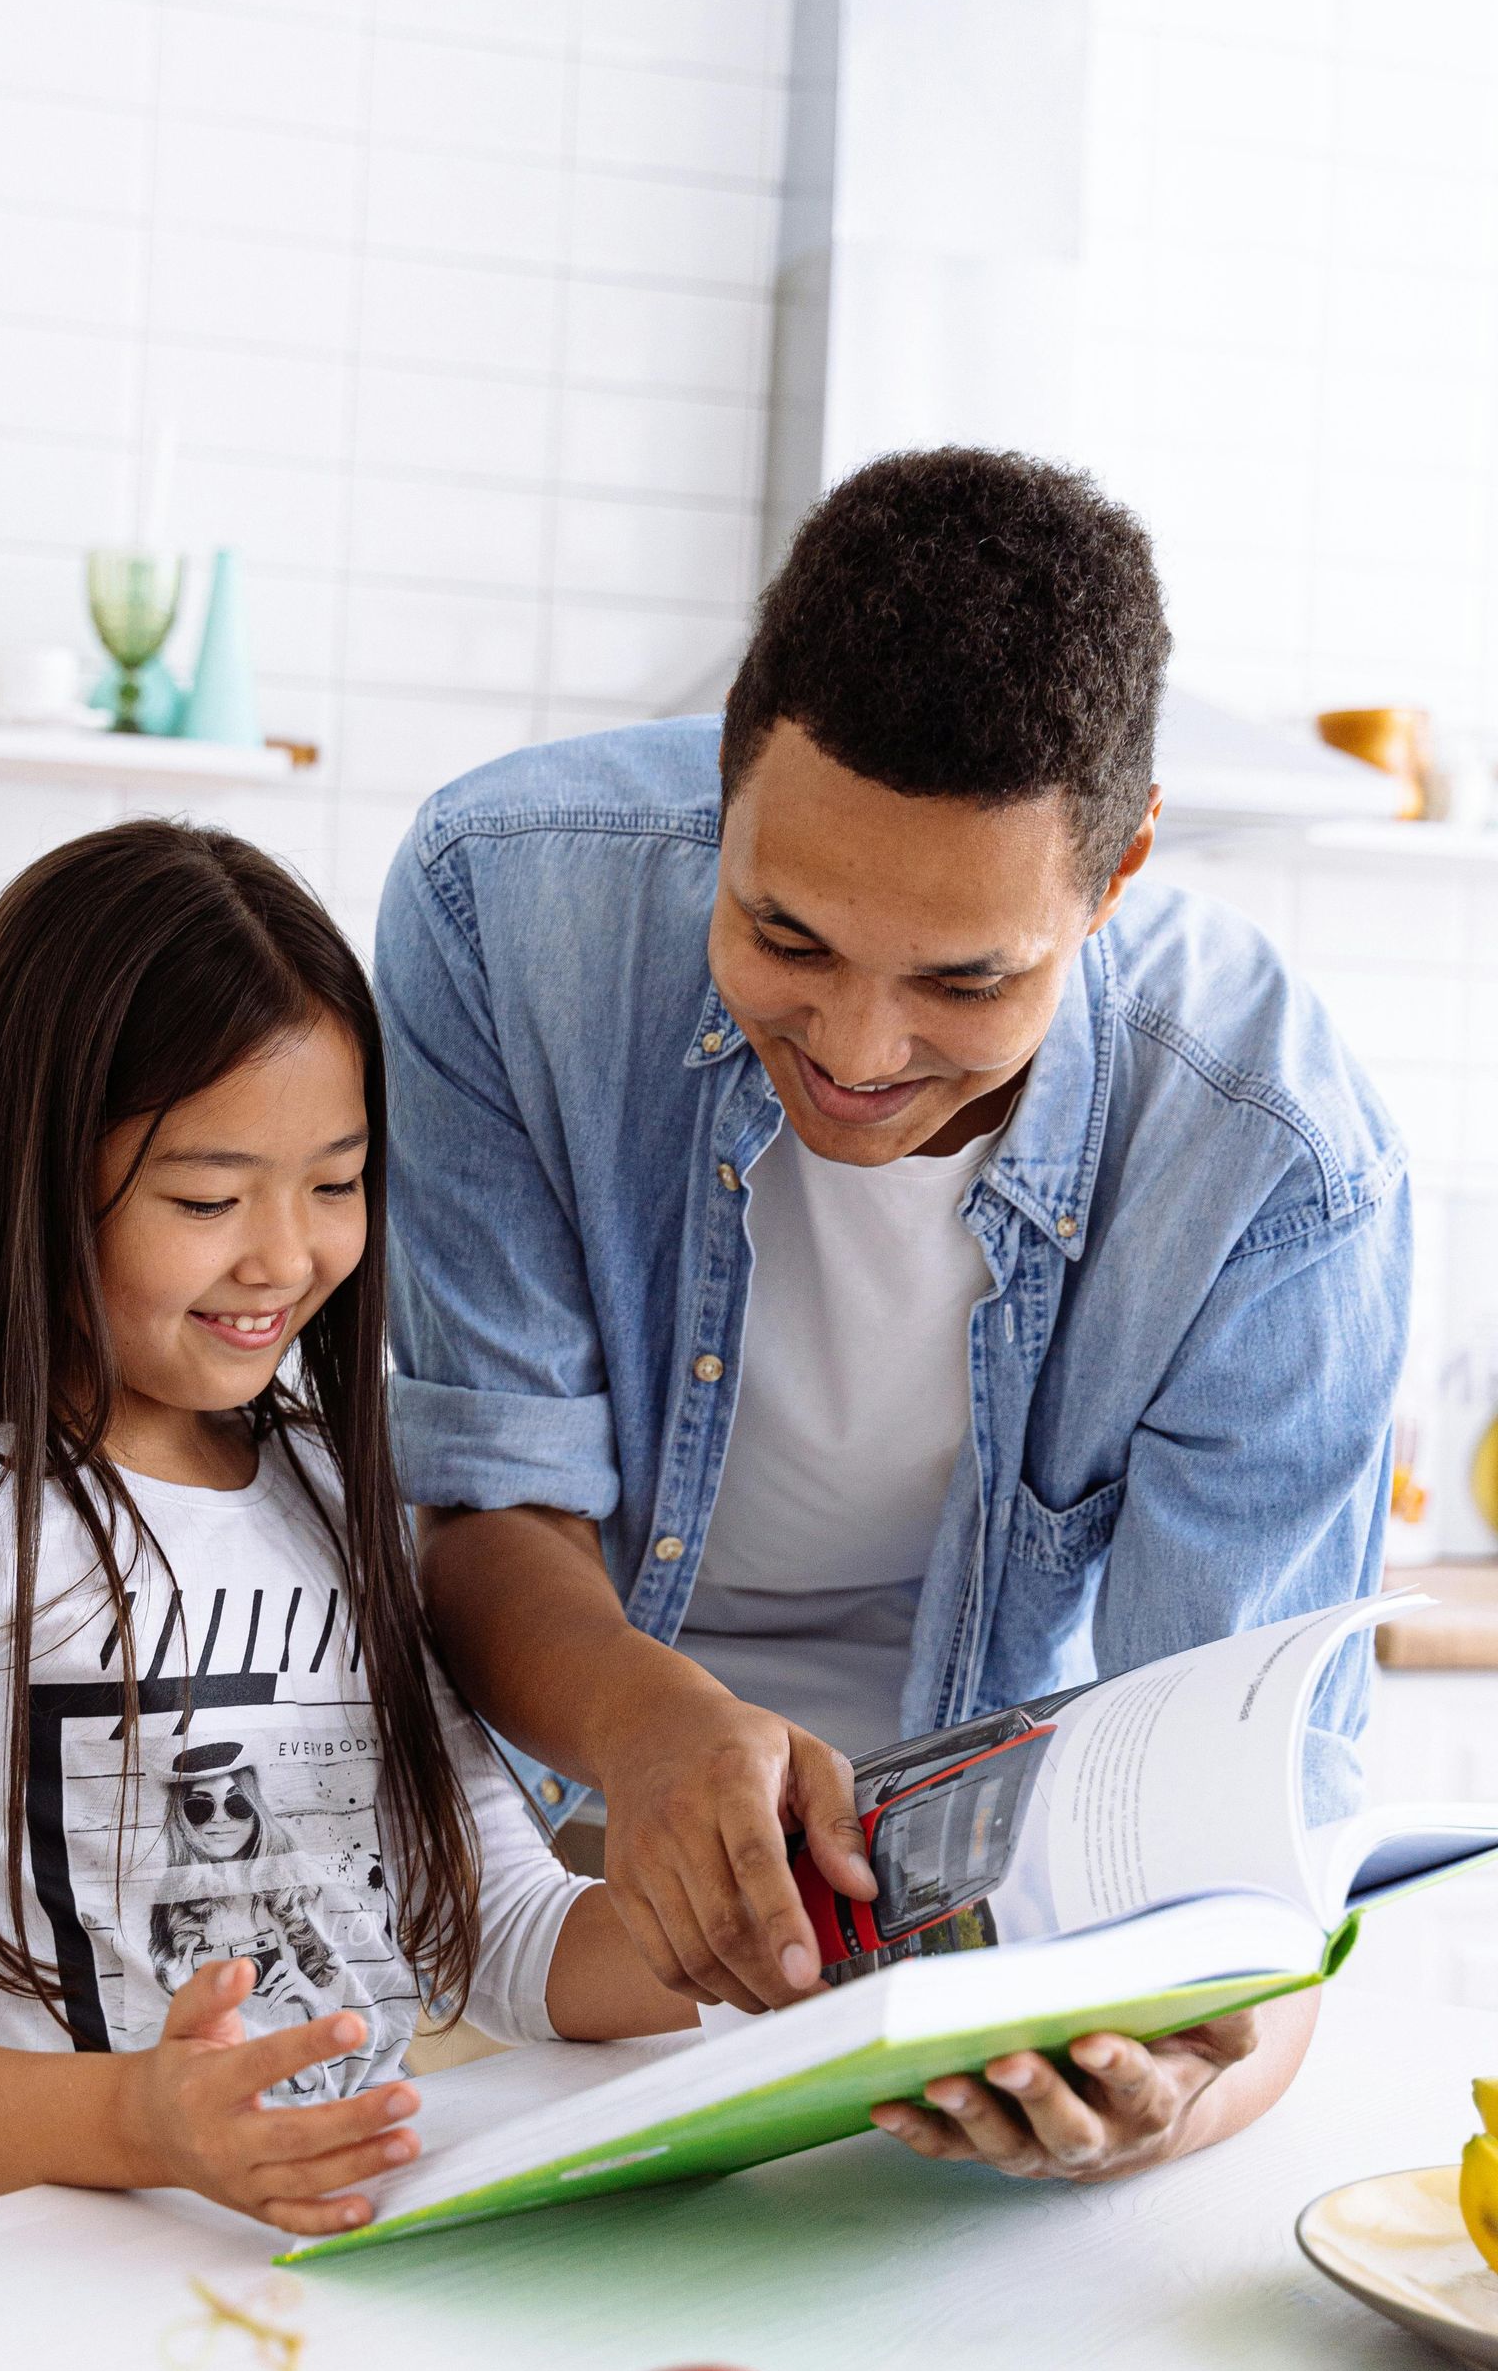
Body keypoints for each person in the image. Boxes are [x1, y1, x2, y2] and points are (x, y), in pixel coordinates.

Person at [376, 448, 1409, 2185]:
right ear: (727, 779)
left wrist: (1168, 2109)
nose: (856, 1053)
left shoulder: (1274, 1162)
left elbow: (1257, 1835)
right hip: (528, 1900)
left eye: (966, 980)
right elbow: (485, 1507)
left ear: (1118, 868)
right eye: (784, 934)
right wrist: (644, 1727)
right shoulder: (501, 903)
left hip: (981, 1972)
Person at [0, 821, 690, 2244]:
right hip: (30, 2323)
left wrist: (765, 1936)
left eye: (337, 1183)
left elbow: (514, 1939)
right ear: (39, 1177)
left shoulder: (335, 1496)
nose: (285, 1255)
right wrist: (145, 2122)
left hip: (319, 2294)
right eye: (208, 1198)